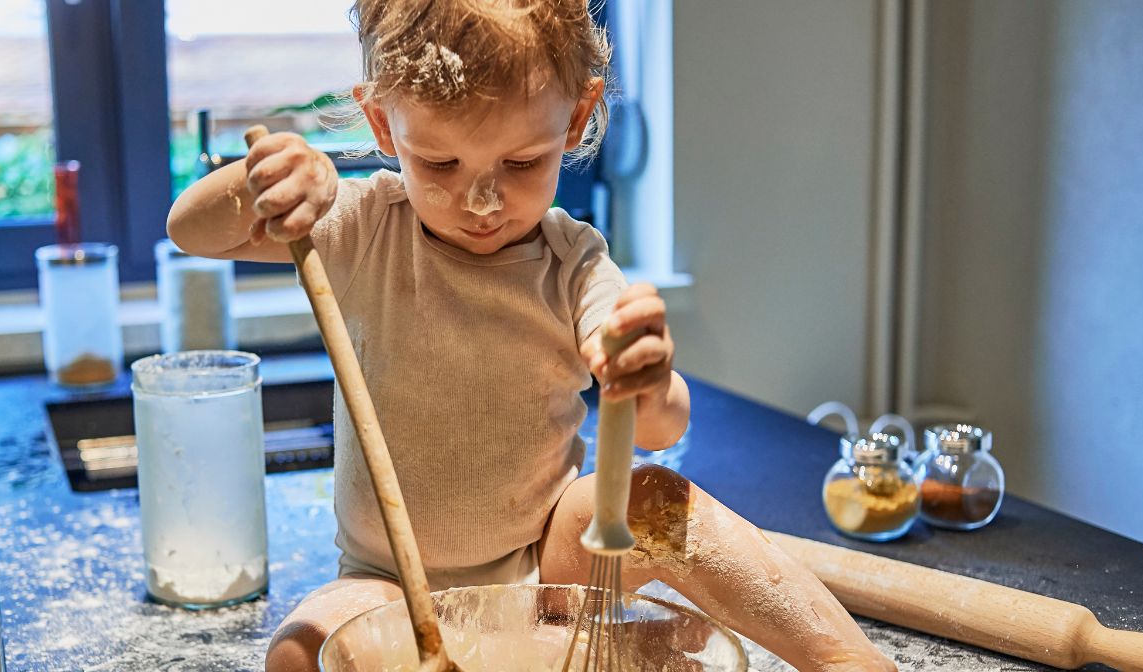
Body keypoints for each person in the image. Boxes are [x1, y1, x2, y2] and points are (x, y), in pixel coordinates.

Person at [167, 1, 896, 670]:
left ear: (576, 119)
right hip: (388, 586)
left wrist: (644, 379)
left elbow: (659, 425)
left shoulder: (574, 263)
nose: (482, 201)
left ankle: (847, 661)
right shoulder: (360, 228)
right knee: (297, 655)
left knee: (651, 497)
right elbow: (189, 230)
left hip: (552, 579)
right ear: (384, 126)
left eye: (521, 163)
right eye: (440, 163)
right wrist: (269, 182)